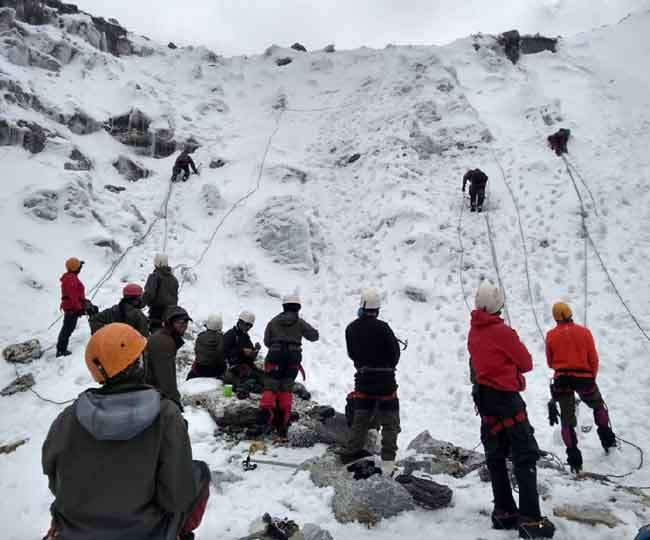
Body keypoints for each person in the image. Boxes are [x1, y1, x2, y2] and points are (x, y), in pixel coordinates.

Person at [42, 323, 210, 540]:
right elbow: (176, 497)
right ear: (140, 362)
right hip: (146, 531)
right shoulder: (166, 415)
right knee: (200, 473)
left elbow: (55, 480)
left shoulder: (68, 417)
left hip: (74, 529)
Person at [468, 280, 555, 538]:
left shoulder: (473, 331)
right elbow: (526, 363)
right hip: (506, 399)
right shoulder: (502, 332)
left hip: (484, 399)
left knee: (496, 456)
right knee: (525, 454)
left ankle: (504, 511)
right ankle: (530, 519)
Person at [546, 302, 616, 473]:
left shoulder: (551, 335)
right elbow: (593, 359)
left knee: (567, 421)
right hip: (584, 378)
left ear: (556, 318)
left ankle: (574, 460)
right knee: (598, 406)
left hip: (562, 380)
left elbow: (550, 362)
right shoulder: (584, 332)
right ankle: (608, 442)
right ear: (570, 314)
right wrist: (591, 378)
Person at [341, 288, 401, 476]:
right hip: (385, 381)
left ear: (362, 306)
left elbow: (352, 354)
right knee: (390, 422)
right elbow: (395, 354)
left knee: (361, 418)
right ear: (377, 309)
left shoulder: (351, 328)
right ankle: (388, 461)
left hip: (364, 379)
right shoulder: (384, 327)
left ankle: (352, 452)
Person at [260, 294, 319, 437]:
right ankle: (283, 425)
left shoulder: (273, 322)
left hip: (275, 356)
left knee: (271, 386)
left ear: (284, 307)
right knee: (286, 388)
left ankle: (265, 421)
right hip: (293, 357)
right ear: (297, 308)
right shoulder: (300, 323)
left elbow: (267, 341)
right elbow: (314, 336)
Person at [145, 306, 191, 408]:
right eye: (180, 322)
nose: (184, 326)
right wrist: (175, 402)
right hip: (149, 393)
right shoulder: (164, 342)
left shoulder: (164, 337)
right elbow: (166, 379)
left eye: (186, 322)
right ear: (170, 323)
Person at [223, 310, 263, 394]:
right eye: (247, 325)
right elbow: (224, 353)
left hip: (246, 367)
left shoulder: (245, 336)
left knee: (261, 377)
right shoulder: (230, 334)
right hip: (233, 368)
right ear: (240, 322)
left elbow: (251, 356)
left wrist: (255, 351)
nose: (248, 327)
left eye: (250, 326)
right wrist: (241, 351)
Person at [57, 257, 89, 357]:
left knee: (68, 328)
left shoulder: (71, 277)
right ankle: (61, 350)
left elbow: (75, 295)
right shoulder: (71, 279)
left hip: (73, 307)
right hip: (72, 308)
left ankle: (61, 348)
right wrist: (79, 308)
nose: (81, 268)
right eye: (80, 266)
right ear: (76, 268)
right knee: (67, 329)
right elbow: (73, 297)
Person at [143, 254, 179, 333]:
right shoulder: (174, 279)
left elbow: (149, 294)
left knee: (156, 336)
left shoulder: (154, 277)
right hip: (171, 312)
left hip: (157, 312)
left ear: (157, 263)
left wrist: (140, 304)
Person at [187, 313, 226, 380]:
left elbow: (197, 351)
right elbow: (221, 355)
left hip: (199, 368)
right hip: (215, 370)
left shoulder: (200, 336)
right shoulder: (221, 338)